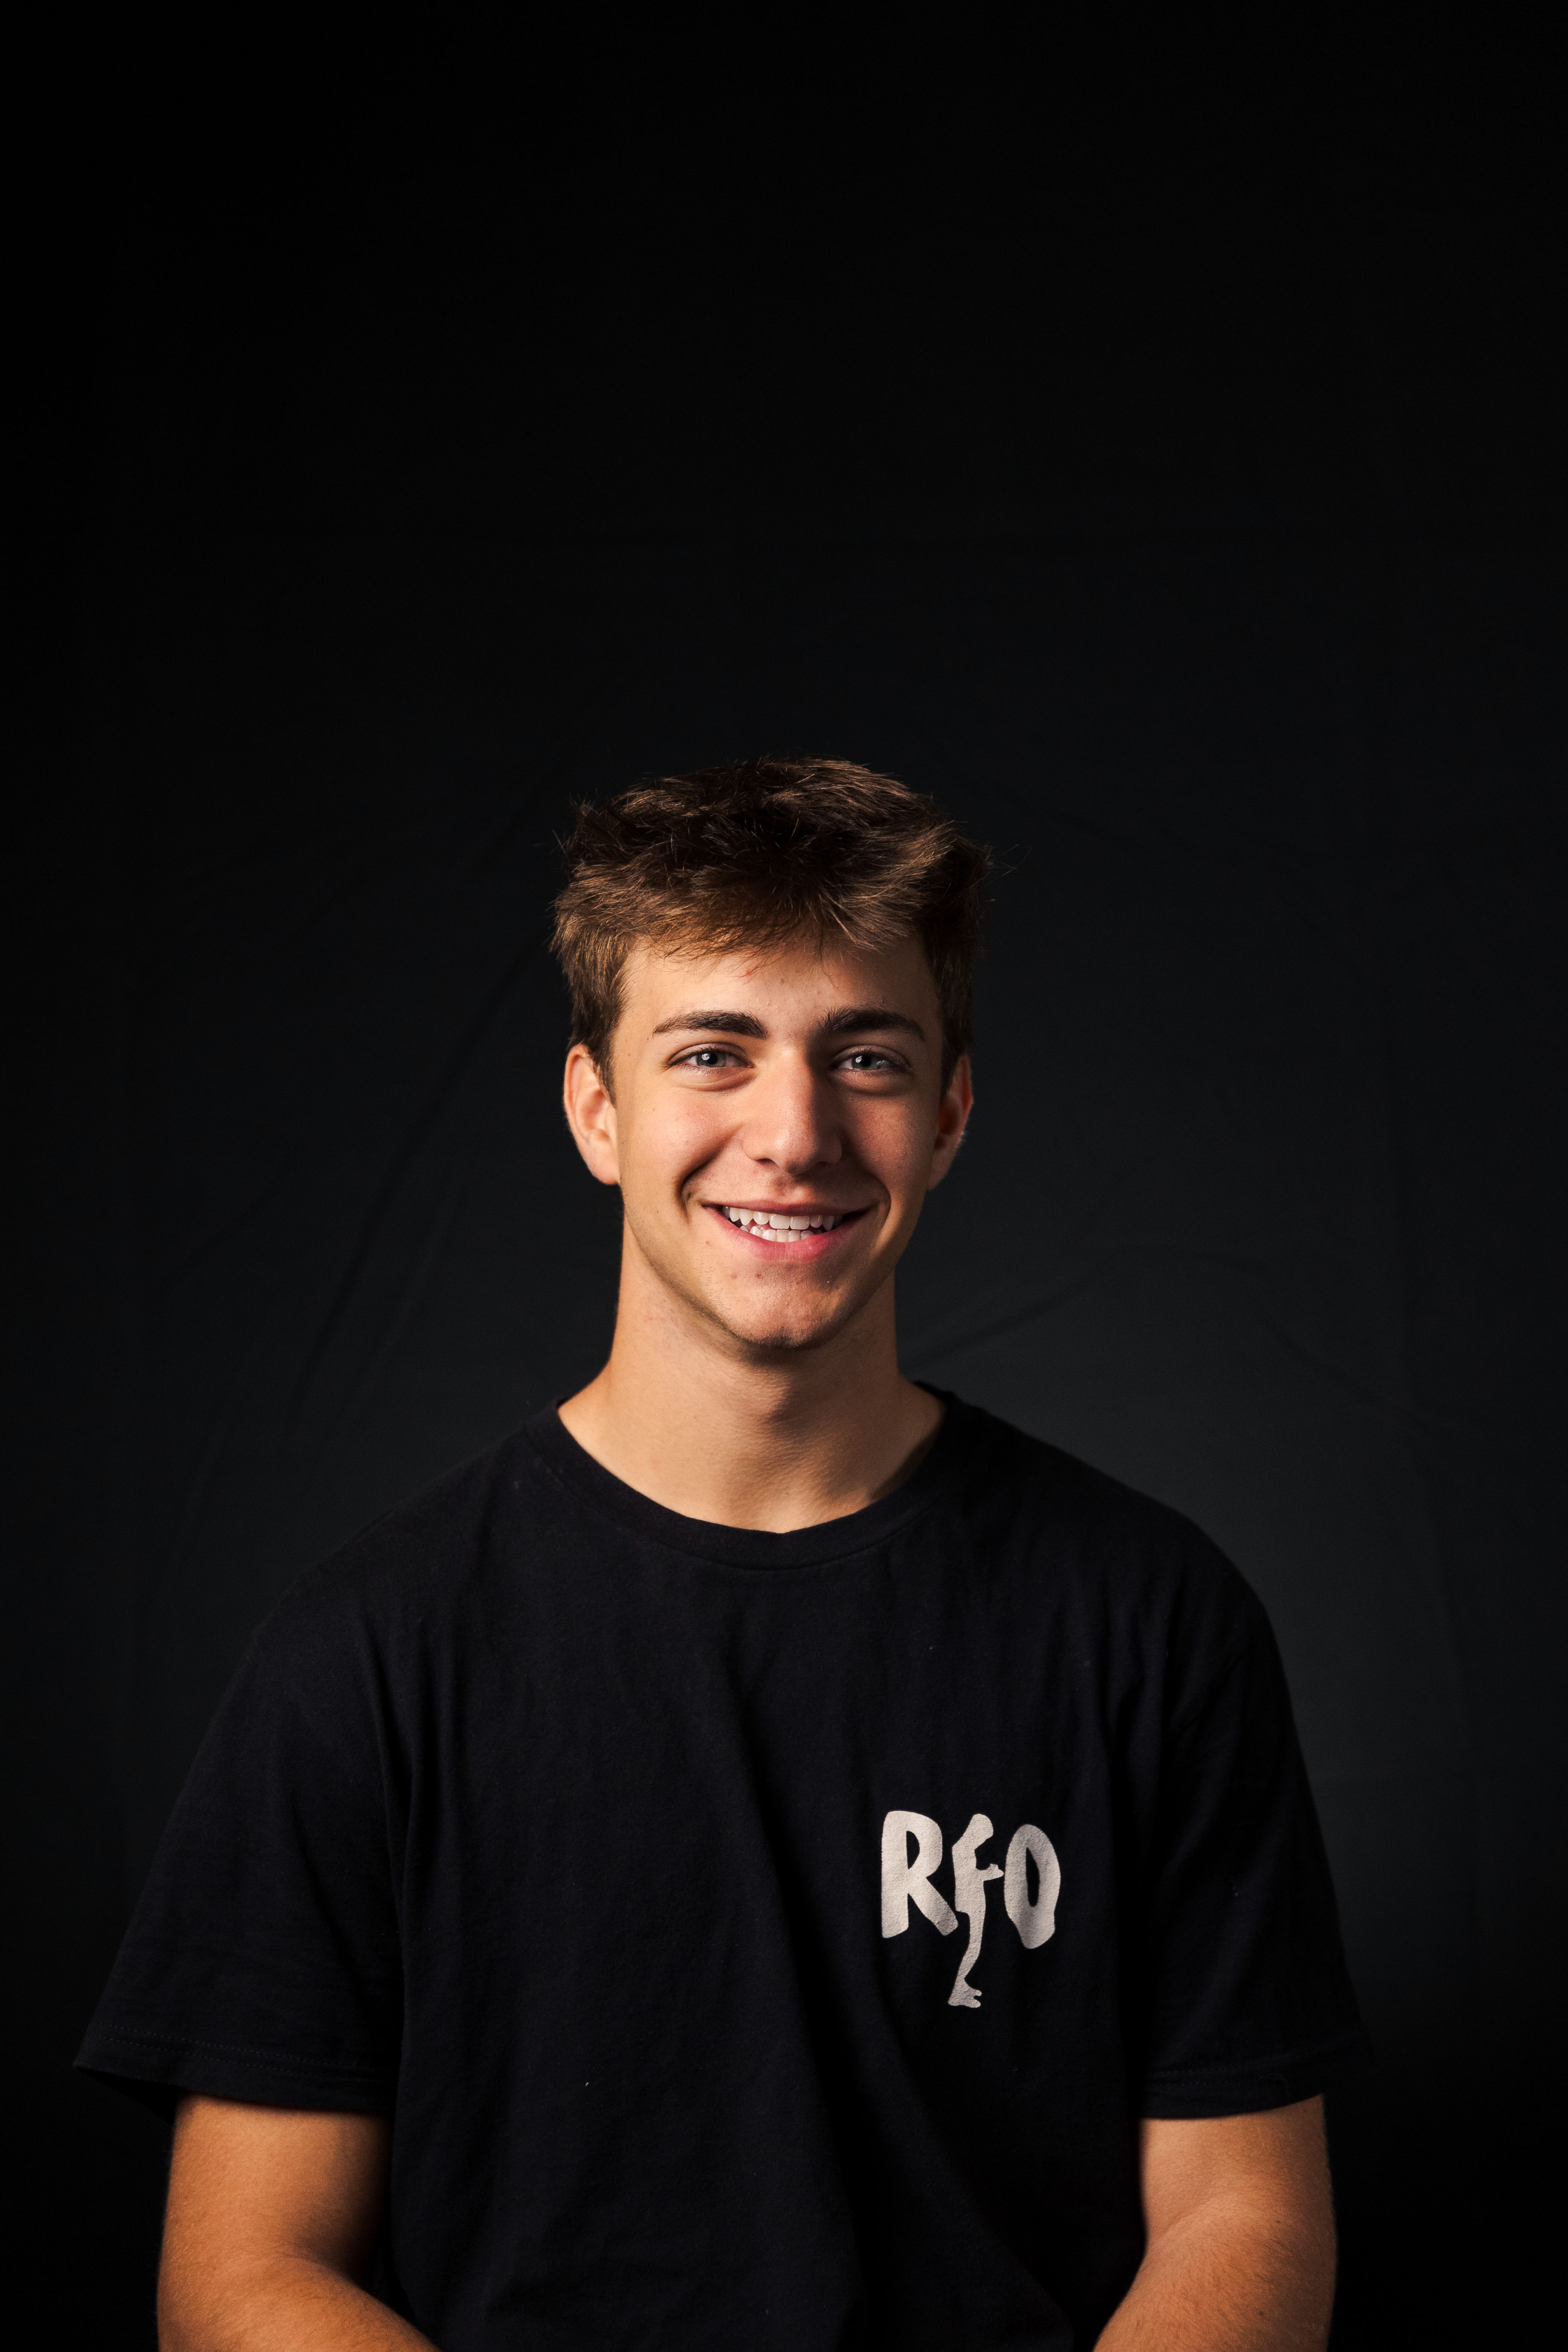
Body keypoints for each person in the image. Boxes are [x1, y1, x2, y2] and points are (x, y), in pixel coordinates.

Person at [79, 757, 1367, 2350]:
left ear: (950, 1112)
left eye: (868, 1058)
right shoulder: (370, 1652)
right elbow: (240, 2273)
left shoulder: (1153, 1621)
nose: (797, 1132)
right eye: (714, 1053)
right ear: (597, 1109)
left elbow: (1249, 2218)